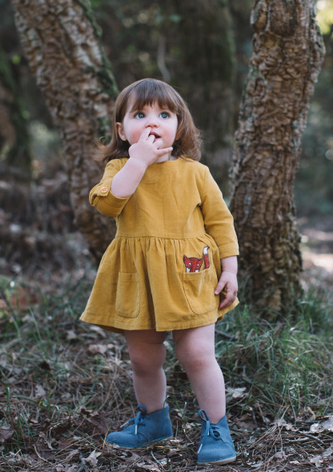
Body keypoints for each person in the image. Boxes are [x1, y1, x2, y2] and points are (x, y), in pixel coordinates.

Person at [80, 78, 239, 465]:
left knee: (197, 353)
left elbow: (221, 222)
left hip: (192, 276)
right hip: (140, 280)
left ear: (179, 124)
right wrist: (138, 161)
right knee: (143, 358)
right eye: (140, 114)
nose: (153, 122)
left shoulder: (194, 173)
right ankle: (153, 420)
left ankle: (216, 427)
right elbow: (108, 204)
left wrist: (230, 268)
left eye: (164, 114)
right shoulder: (120, 168)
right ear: (122, 130)